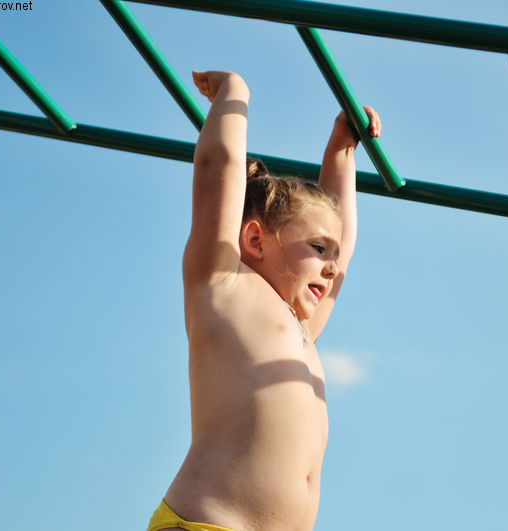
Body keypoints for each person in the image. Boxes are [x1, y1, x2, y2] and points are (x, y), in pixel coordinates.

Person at [146, 70, 381, 531]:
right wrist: (234, 92)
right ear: (255, 239)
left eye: (332, 256)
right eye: (318, 249)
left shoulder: (302, 328)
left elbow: (344, 248)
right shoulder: (224, 285)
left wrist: (342, 150)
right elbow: (217, 168)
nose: (331, 267)